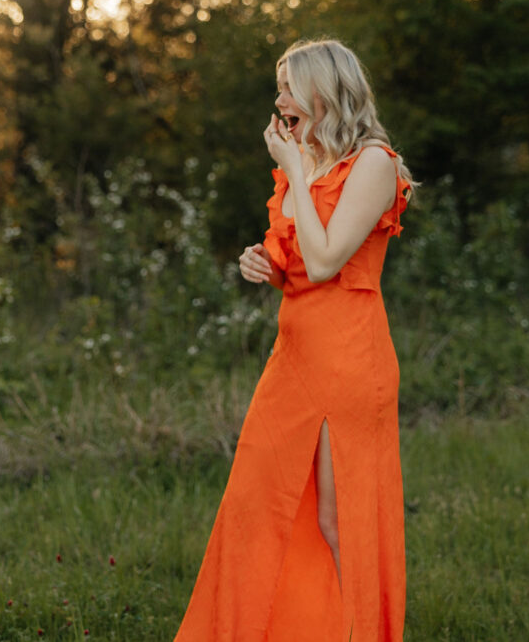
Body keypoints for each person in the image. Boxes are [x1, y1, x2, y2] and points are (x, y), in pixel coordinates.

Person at [174, 39, 413, 641]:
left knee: (335, 519)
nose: (278, 101)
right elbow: (300, 263)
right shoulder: (302, 166)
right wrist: (264, 263)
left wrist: (299, 175)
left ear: (323, 91)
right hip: (294, 362)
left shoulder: (374, 164)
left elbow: (330, 259)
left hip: (348, 362)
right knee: (262, 504)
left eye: (287, 88)